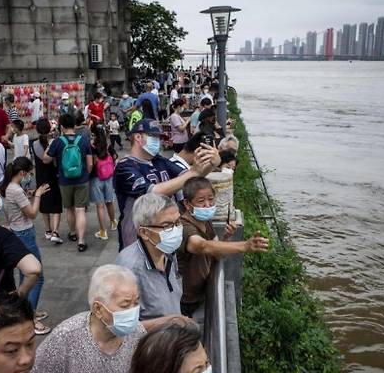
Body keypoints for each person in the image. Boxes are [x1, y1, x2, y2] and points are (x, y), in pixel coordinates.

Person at [20, 265, 183, 373]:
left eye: (136, 302)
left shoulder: (136, 333)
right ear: (98, 309)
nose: (134, 311)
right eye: (125, 305)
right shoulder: (66, 337)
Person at [113, 119, 218, 250]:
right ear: (138, 137)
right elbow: (151, 193)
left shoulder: (159, 160)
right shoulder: (125, 167)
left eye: (159, 137)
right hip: (137, 239)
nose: (159, 141)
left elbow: (189, 179)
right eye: (154, 137)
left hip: (165, 233)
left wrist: (212, 164)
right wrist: (194, 172)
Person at [177, 177, 269, 317]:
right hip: (185, 299)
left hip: (201, 292)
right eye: (201, 201)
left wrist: (226, 238)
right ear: (188, 204)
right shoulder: (185, 227)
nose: (207, 205)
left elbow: (216, 253)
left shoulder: (205, 220)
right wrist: (244, 245)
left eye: (211, 199)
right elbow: (202, 246)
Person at [0, 156, 51, 335]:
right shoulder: (15, 190)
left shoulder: (9, 188)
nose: (30, 176)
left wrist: (29, 195)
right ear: (22, 172)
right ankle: (30, 318)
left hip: (16, 232)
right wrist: (37, 196)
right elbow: (32, 213)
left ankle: (27, 311)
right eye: (29, 173)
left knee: (25, 275)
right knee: (37, 276)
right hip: (24, 235)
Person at [115, 193, 183, 319]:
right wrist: (170, 323)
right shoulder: (129, 270)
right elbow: (122, 326)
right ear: (144, 232)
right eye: (167, 226)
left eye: (178, 222)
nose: (176, 230)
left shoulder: (167, 252)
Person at [43, 113, 93, 252]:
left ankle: (72, 233)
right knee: (80, 210)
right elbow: (90, 164)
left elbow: (45, 159)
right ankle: (82, 241)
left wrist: (50, 145)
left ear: (62, 126)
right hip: (82, 179)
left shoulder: (58, 141)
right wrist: (85, 174)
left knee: (69, 209)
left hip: (64, 180)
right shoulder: (83, 140)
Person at [32, 118, 63, 244]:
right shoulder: (54, 142)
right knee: (56, 204)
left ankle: (48, 230)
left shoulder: (34, 144)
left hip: (40, 177)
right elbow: (52, 160)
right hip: (53, 176)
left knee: (44, 204)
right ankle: (55, 231)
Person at [89, 125, 117, 241]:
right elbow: (115, 156)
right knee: (109, 201)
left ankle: (103, 231)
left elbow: (90, 162)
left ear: (94, 135)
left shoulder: (91, 147)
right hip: (108, 177)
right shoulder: (108, 146)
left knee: (100, 206)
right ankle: (113, 222)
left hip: (96, 178)